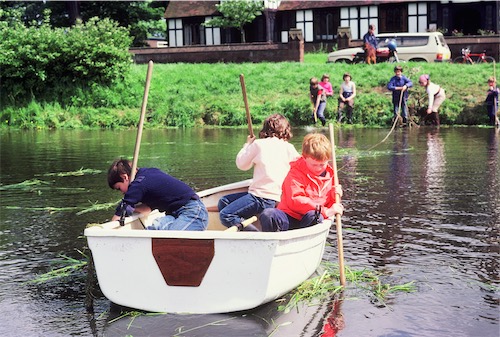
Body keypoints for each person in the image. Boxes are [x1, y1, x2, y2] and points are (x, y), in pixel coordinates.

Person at [218, 114, 300, 231]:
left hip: (260, 197)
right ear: (286, 130)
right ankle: (243, 226)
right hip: (276, 198)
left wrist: (247, 145)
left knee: (225, 215)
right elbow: (299, 167)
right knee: (224, 201)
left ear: (265, 128)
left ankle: (254, 234)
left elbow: (242, 164)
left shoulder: (258, 144)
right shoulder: (290, 148)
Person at [258, 133, 344, 232]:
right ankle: (272, 244)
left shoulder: (332, 177)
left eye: (322, 164)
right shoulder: (295, 173)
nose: (318, 168)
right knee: (268, 214)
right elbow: (296, 200)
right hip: (289, 216)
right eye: (314, 165)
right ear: (304, 157)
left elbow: (332, 206)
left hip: (310, 218)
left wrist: (335, 196)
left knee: (314, 216)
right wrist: (325, 211)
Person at [107, 159, 208, 231]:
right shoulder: (148, 175)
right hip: (173, 214)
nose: (122, 192)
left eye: (119, 188)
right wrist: (134, 208)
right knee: (152, 231)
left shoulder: (138, 183)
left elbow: (124, 208)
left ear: (125, 177)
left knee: (172, 238)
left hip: (192, 211)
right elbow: (146, 210)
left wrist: (110, 227)